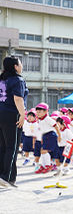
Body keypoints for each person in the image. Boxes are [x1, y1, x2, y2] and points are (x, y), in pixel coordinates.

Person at [0, 56, 28, 187]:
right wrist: (22, 114)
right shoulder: (18, 80)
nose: (21, 66)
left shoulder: (1, 79)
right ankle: (6, 177)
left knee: (2, 146)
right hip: (12, 115)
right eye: (20, 63)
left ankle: (8, 178)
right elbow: (18, 99)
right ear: (15, 67)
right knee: (12, 146)